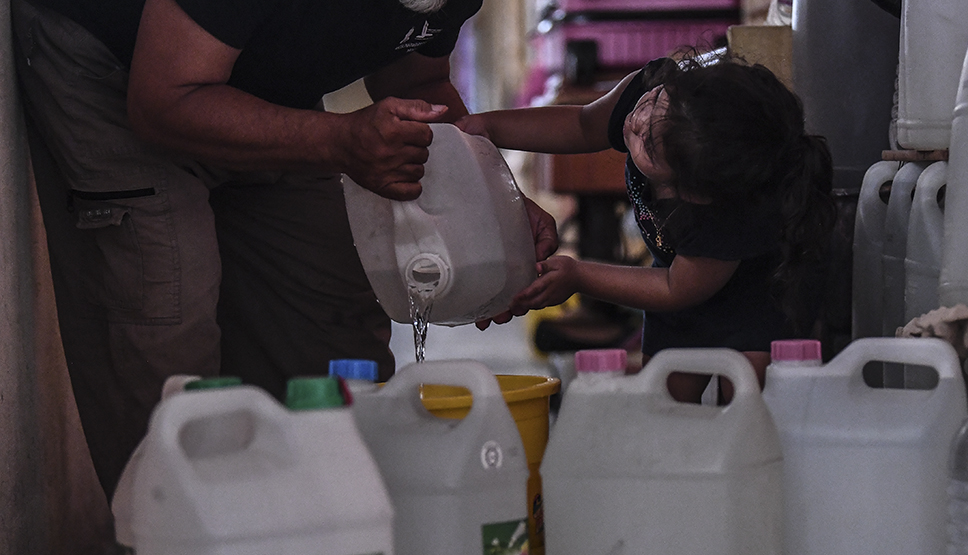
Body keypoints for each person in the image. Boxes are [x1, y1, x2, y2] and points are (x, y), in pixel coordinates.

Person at [12, 0, 558, 498]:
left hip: (256, 74)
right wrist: (339, 141)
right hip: (118, 68)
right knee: (170, 347)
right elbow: (163, 99)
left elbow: (416, 74)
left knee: (335, 342)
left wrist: (493, 211)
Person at [458, 54, 835, 401]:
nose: (637, 120)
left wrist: (578, 275)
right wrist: (490, 126)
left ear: (689, 190)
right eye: (657, 101)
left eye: (648, 146)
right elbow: (582, 122)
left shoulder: (723, 216)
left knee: (745, 406)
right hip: (680, 284)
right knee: (666, 405)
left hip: (760, 298)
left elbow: (675, 288)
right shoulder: (654, 94)